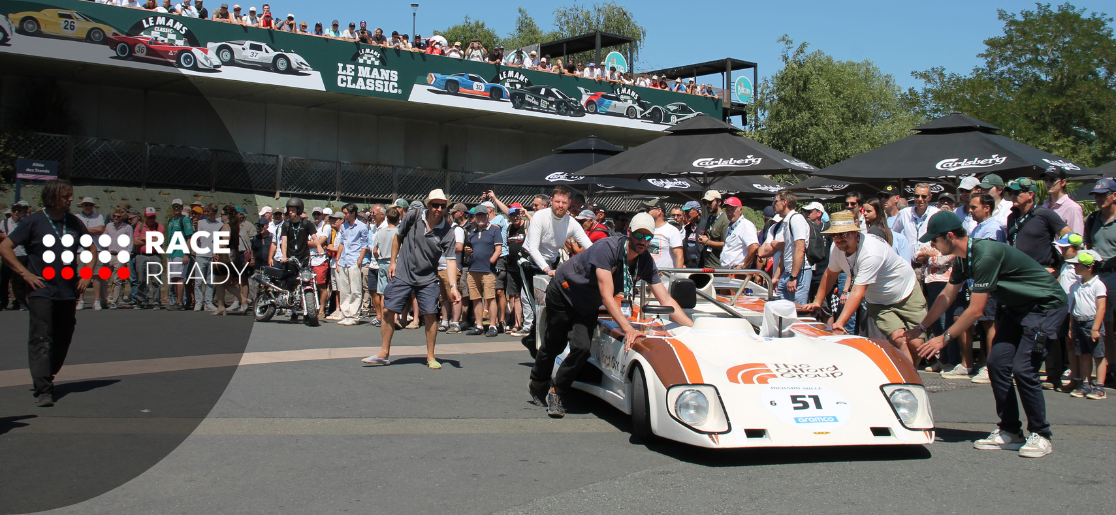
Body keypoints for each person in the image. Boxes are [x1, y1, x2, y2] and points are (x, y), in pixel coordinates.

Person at [912, 211, 1066, 458]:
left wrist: (944, 338)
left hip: (1045, 308)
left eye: (935, 239)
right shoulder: (963, 258)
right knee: (996, 363)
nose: (932, 244)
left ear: (949, 236)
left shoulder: (985, 254)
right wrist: (921, 328)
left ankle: (1042, 434)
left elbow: (975, 311)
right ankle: (1010, 431)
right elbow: (946, 296)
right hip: (1017, 309)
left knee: (1024, 368)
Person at [527, 213, 695, 417]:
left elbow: (666, 300)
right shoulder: (607, 248)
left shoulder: (645, 261)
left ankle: (558, 390)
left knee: (582, 348)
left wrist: (691, 328)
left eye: (648, 237)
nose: (643, 241)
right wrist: (628, 329)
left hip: (588, 302)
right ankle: (538, 382)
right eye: (639, 236)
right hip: (565, 291)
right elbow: (607, 296)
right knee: (555, 343)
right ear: (629, 233)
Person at [0, 179, 98, 407]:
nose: (71, 199)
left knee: (63, 337)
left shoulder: (73, 223)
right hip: (41, 291)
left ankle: (46, 374)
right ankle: (44, 388)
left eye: (70, 195)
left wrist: (86, 274)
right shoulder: (33, 222)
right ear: (53, 197)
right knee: (41, 337)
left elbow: (91, 248)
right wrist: (26, 274)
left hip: (67, 291)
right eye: (66, 196)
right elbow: (5, 248)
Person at [804, 210, 927, 363]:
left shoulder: (871, 251)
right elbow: (830, 274)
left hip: (905, 292)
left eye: (844, 234)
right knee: (899, 340)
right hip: (879, 302)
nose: (839, 239)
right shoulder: (837, 249)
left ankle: (912, 374)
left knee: (916, 344)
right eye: (835, 235)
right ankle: (910, 381)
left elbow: (858, 291)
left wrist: (840, 322)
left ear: (855, 233)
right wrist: (817, 301)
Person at [363, 191, 459, 369]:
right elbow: (398, 237)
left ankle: (430, 356)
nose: (438, 209)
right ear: (428, 205)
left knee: (430, 314)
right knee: (388, 310)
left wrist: (454, 287)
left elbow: (451, 260)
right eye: (435, 205)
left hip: (428, 277)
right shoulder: (414, 216)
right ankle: (384, 353)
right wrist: (393, 262)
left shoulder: (447, 231)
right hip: (403, 273)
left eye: (442, 206)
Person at [1084, 178, 1116, 389]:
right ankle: (1111, 368)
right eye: (1096, 195)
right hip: (1099, 276)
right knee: (1105, 326)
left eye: (1103, 194)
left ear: (1114, 195)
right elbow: (1087, 247)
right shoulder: (1092, 218)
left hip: (1115, 273)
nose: (1098, 199)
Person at [1065, 250, 1108, 400]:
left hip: (1091, 323)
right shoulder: (1076, 285)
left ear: (1089, 267)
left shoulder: (1098, 285)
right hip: (1078, 322)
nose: (1074, 267)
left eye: (1078, 265)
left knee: (1098, 355)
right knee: (1083, 354)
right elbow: (1073, 307)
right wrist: (1071, 326)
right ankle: (1085, 383)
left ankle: (1100, 387)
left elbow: (1101, 307)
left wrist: (1096, 327)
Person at [1005, 177, 1071, 271]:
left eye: (1016, 193)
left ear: (1030, 194)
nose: (1012, 196)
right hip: (1019, 272)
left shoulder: (1045, 214)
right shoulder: (1012, 217)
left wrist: (1061, 268)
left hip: (1041, 272)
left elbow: (1070, 236)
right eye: (1010, 193)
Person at [768, 190, 812, 304]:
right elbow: (787, 251)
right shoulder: (787, 221)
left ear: (785, 202)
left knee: (796, 311)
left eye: (776, 201)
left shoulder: (796, 219)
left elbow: (800, 249)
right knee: (780, 307)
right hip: (787, 272)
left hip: (799, 272)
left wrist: (793, 277)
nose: (774, 204)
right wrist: (777, 277)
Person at [464, 207, 502, 336]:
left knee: (490, 298)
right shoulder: (472, 231)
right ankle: (479, 325)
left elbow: (498, 249)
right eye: (478, 216)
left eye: (482, 215)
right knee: (476, 298)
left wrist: (492, 260)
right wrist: (467, 252)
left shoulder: (494, 230)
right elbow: (470, 247)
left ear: (487, 216)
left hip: (488, 270)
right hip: (473, 268)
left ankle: (492, 326)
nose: (480, 218)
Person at [278, 198, 318, 321]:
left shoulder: (306, 224)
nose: (290, 212)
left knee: (306, 282)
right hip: (290, 258)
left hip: (304, 257)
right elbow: (284, 242)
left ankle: (308, 309)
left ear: (299, 210)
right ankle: (291, 309)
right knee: (290, 283)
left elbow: (315, 237)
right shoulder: (286, 225)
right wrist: (284, 256)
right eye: (289, 210)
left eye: (293, 210)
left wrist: (320, 248)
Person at [334, 203, 368, 326]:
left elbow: (364, 245)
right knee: (344, 289)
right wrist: (338, 258)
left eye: (346, 213)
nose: (344, 215)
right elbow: (342, 243)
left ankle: (354, 315)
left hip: (354, 260)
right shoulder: (344, 226)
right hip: (344, 260)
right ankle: (346, 313)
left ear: (353, 213)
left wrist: (360, 260)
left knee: (356, 289)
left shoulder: (362, 226)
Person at [891, 183, 939, 263]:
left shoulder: (936, 213)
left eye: (924, 196)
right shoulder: (904, 213)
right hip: (908, 263)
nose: (920, 199)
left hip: (928, 262)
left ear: (930, 197)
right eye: (917, 196)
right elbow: (893, 235)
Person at [74, 197, 106, 310]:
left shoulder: (99, 216)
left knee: (96, 275)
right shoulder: (76, 217)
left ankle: (97, 300)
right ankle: (80, 300)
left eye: (90, 205)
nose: (88, 207)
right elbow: (75, 230)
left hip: (96, 249)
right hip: (80, 249)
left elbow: (101, 229)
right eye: (86, 205)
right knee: (80, 275)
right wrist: (92, 230)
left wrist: (84, 230)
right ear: (82, 206)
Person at [0, 200, 30, 311]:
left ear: (23, 211)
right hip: (7, 255)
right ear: (12, 212)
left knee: (20, 280)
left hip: (21, 254)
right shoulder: (4, 223)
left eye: (19, 210)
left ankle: (21, 302)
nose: (17, 212)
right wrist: (6, 238)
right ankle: (3, 302)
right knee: (4, 280)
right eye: (15, 210)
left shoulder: (25, 223)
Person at [194, 204, 224, 311]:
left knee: (210, 281)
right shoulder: (201, 222)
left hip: (213, 255)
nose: (206, 214)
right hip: (201, 254)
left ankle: (208, 302)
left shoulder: (220, 224)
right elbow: (198, 237)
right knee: (198, 281)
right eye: (205, 212)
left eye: (208, 212)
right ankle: (198, 302)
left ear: (214, 212)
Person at [165, 199, 194, 311]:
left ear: (182, 208)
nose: (176, 209)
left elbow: (189, 238)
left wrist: (186, 254)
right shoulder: (171, 220)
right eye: (174, 207)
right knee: (173, 277)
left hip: (180, 252)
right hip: (171, 252)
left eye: (178, 207)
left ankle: (180, 302)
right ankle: (176, 300)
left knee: (179, 278)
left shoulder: (185, 220)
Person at [133, 208, 164, 310]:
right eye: (150, 217)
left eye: (153, 217)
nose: (152, 219)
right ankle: (141, 301)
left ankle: (156, 302)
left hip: (155, 255)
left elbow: (159, 240)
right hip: (141, 255)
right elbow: (136, 242)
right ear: (145, 216)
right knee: (141, 280)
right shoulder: (140, 227)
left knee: (155, 280)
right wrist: (151, 240)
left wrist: (143, 238)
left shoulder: (159, 226)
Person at [719, 197, 759, 270]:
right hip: (727, 271)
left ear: (740, 210)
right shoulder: (731, 225)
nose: (730, 213)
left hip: (737, 272)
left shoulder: (746, 225)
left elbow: (754, 247)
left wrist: (743, 266)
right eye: (727, 210)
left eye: (732, 210)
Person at [643, 199, 684, 269]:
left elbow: (679, 256)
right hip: (647, 275)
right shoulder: (645, 229)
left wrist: (677, 275)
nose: (646, 212)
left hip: (665, 277)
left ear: (659, 211)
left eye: (649, 209)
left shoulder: (672, 230)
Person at [1041, 167, 1084, 234]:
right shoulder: (1044, 205)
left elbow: (1076, 237)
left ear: (1063, 182)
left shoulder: (1072, 208)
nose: (1048, 183)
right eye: (1045, 180)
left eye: (1053, 180)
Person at [697, 190, 726, 268]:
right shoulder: (710, 218)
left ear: (719, 202)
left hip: (718, 267)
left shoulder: (725, 219)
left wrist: (707, 242)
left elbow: (726, 245)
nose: (707, 205)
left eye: (710, 202)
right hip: (707, 265)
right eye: (705, 203)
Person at [681, 201, 701, 267]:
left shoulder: (704, 225)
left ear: (697, 211)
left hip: (701, 265)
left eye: (688, 212)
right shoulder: (687, 228)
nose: (686, 214)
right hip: (690, 265)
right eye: (685, 212)